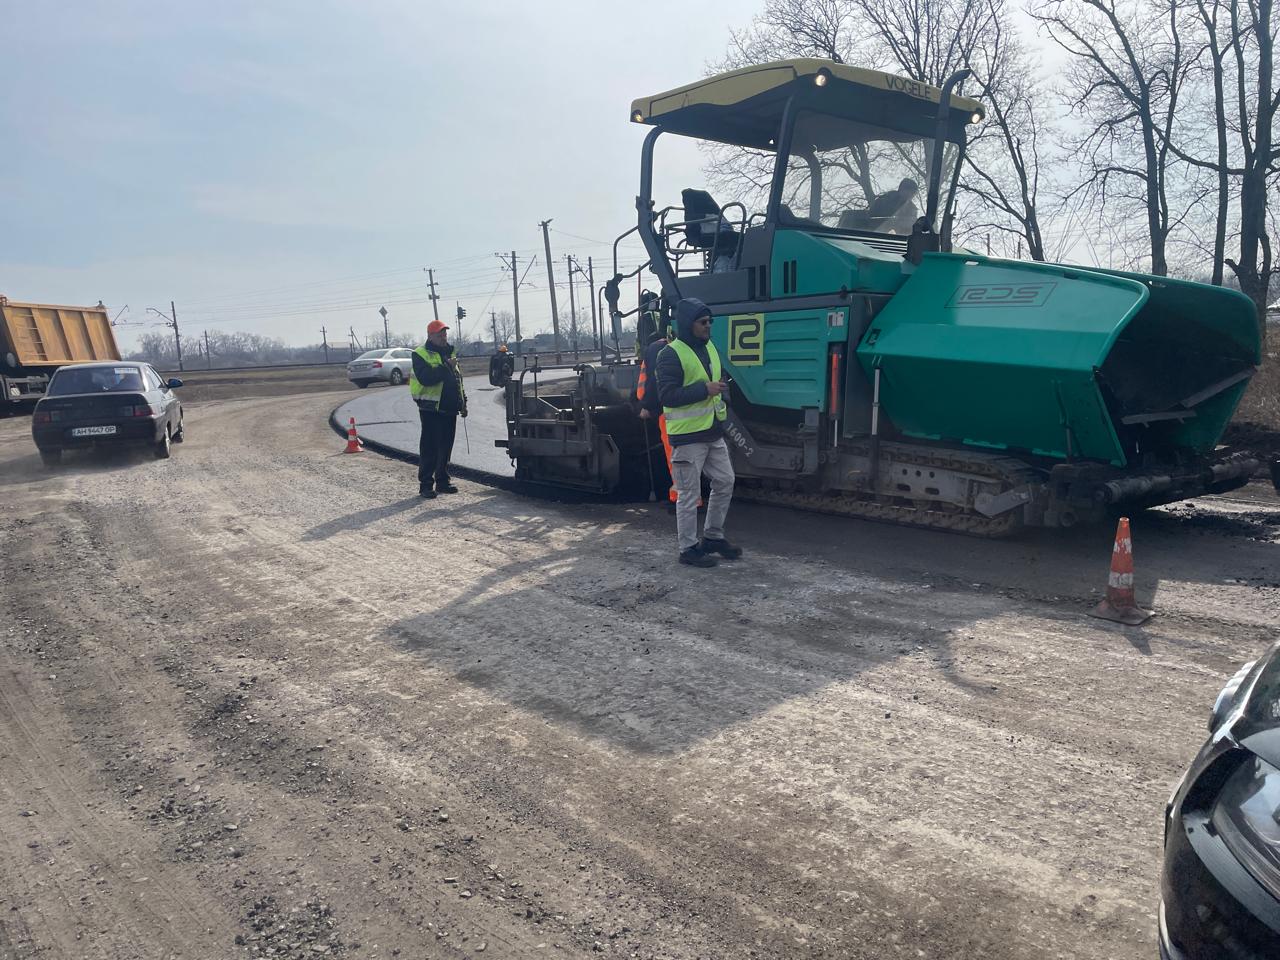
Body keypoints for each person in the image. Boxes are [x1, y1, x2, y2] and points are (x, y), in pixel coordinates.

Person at [655, 298, 742, 568]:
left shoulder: (710, 348)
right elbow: (667, 395)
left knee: (725, 481)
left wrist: (723, 395)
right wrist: (705, 389)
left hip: (712, 432)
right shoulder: (670, 354)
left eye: (710, 322)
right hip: (687, 437)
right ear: (688, 324)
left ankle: (713, 537)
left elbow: (721, 378)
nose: (708, 327)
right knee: (688, 494)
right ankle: (688, 548)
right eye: (703, 322)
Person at [410, 319, 467, 499]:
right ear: (430, 336)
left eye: (444, 333)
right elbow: (426, 378)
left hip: (449, 407)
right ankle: (426, 484)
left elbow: (458, 379)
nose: (443, 337)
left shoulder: (450, 352)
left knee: (445, 446)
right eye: (439, 334)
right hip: (430, 408)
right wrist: (446, 367)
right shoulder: (420, 354)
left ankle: (442, 481)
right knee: (430, 447)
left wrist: (463, 401)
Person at [636, 318, 679, 506]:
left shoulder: (655, 350)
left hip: (669, 412)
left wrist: (647, 406)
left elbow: (654, 382)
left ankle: (681, 499)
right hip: (692, 411)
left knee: (675, 456)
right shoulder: (685, 347)